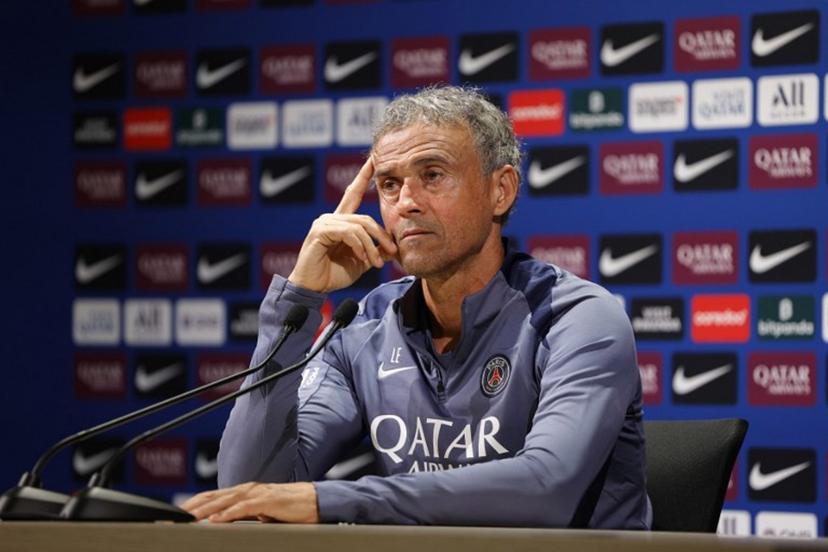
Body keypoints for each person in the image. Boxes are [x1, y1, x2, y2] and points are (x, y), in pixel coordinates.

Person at [183, 86, 652, 528]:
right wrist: (298, 303)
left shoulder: (575, 318)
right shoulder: (365, 327)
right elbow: (254, 488)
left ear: (500, 190)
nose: (406, 202)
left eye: (433, 175)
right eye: (388, 184)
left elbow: (546, 488)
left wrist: (330, 501)